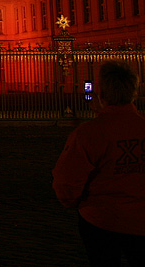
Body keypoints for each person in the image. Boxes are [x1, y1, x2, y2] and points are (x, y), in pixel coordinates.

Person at [52, 60, 145, 266]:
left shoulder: (88, 134)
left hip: (101, 219)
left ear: (101, 94)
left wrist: (75, 203)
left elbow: (66, 182)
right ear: (133, 92)